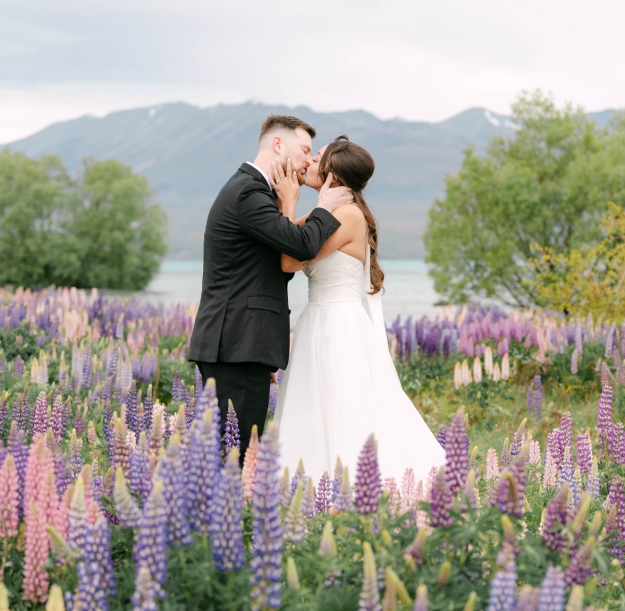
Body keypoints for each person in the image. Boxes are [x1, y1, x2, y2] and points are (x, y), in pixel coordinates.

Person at [271, 135, 446, 486]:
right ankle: (314, 483)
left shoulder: (348, 215)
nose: (310, 161)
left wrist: (288, 202)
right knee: (313, 406)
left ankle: (354, 486)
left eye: (317, 157)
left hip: (338, 324)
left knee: (343, 406)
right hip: (318, 319)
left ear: (332, 173)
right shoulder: (327, 214)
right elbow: (287, 238)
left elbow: (289, 259)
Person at [189, 115, 352, 462]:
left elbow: (276, 268)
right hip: (237, 344)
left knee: (231, 453)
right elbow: (302, 246)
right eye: (305, 150)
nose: (309, 160)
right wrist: (324, 206)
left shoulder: (255, 191)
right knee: (237, 457)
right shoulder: (249, 192)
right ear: (278, 144)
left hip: (242, 344)